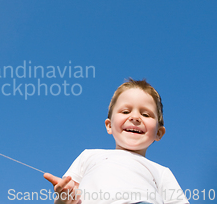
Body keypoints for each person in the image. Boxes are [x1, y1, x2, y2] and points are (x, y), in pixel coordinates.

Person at [44, 78, 189, 204]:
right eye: (125, 112)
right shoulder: (89, 156)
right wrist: (63, 200)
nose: (135, 117)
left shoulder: (161, 172)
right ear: (109, 125)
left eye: (145, 114)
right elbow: (70, 192)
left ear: (158, 132)